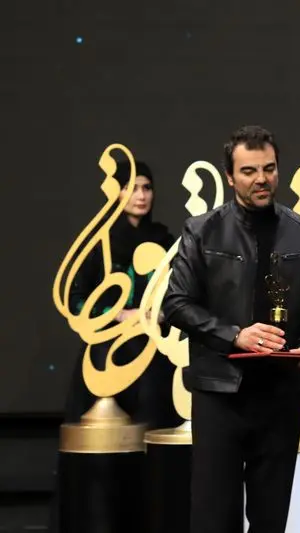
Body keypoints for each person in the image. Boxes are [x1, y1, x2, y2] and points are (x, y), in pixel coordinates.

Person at [162, 125, 300, 533]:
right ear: (229, 176)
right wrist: (235, 335)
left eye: (269, 169)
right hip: (220, 393)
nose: (261, 179)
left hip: (280, 393)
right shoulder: (202, 230)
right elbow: (176, 303)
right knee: (214, 517)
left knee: (271, 518)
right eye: (249, 171)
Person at [64, 159, 179, 429]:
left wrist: (161, 314)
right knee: (108, 434)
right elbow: (76, 300)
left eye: (146, 188)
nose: (141, 196)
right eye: (131, 187)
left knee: (154, 425)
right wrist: (119, 314)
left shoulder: (164, 241)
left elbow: (179, 295)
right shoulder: (100, 242)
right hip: (107, 349)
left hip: (153, 349)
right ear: (116, 192)